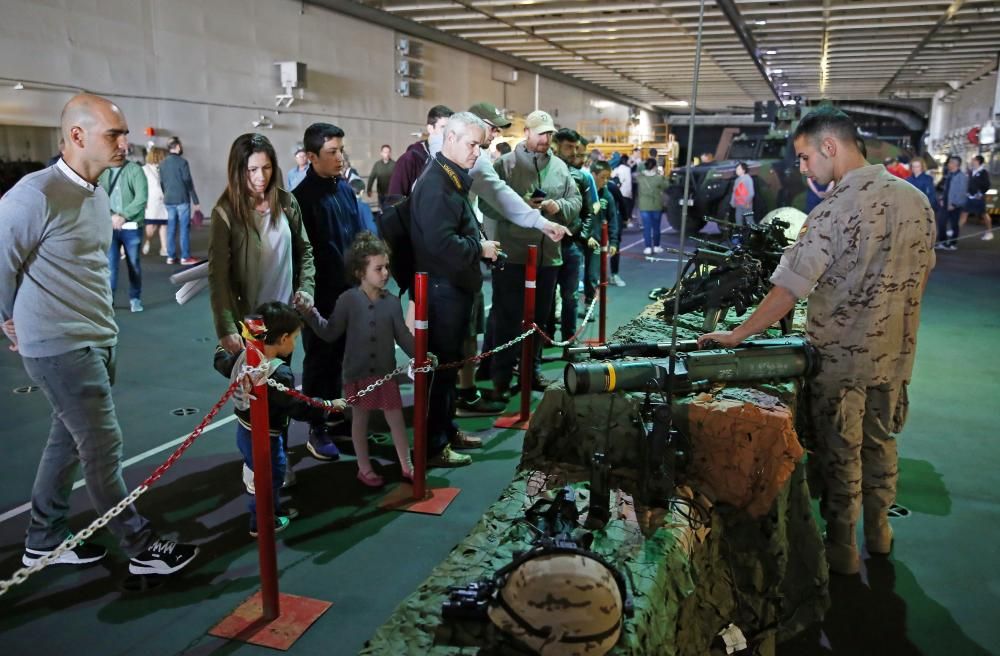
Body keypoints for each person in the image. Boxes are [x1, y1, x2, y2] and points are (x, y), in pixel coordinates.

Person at [699, 107, 936, 576]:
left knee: (840, 450)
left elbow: (787, 291)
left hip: (842, 361)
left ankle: (844, 548)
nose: (804, 168)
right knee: (882, 442)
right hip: (895, 357)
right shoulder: (917, 202)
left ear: (831, 146)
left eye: (806, 157)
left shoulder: (834, 210)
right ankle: (880, 533)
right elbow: (921, 279)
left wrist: (736, 335)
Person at [0, 93, 199, 576]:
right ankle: (140, 546)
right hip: (61, 347)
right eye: (115, 134)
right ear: (76, 136)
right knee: (102, 447)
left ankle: (43, 538)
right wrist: (9, 318)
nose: (125, 143)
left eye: (124, 132)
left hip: (95, 338)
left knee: (67, 442)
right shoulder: (34, 194)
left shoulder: (97, 190)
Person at [208, 132, 315, 488]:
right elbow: (218, 276)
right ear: (238, 170)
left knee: (283, 390)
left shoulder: (287, 202)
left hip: (285, 319)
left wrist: (306, 289)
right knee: (254, 401)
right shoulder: (225, 212)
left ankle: (276, 464)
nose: (260, 176)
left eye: (266, 168)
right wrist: (226, 327)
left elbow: (306, 252)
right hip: (252, 324)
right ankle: (258, 470)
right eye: (252, 169)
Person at [410, 112, 500, 467]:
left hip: (453, 287)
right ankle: (433, 445)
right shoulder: (437, 183)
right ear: (450, 139)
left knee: (448, 370)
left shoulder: (451, 177)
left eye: (479, 145)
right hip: (441, 289)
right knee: (441, 373)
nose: (478, 152)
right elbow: (440, 243)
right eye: (472, 144)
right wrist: (480, 248)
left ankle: (445, 430)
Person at [296, 233, 417, 486]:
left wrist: (421, 354)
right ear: (361, 272)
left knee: (395, 418)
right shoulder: (348, 301)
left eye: (386, 267)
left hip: (385, 374)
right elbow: (330, 332)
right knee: (359, 421)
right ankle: (364, 468)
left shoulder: (392, 303)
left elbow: (404, 336)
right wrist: (310, 313)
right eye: (379, 268)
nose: (386, 273)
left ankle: (407, 465)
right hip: (357, 375)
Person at [214, 301, 343, 537]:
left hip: (244, 430)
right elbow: (296, 406)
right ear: (283, 338)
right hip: (267, 435)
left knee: (257, 473)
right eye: (294, 338)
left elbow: (222, 364)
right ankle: (262, 521)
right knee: (270, 477)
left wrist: (220, 348)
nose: (294, 343)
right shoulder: (279, 372)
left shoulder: (246, 355)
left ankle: (268, 512)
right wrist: (326, 406)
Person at [489, 110, 581, 397]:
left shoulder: (560, 168)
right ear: (526, 132)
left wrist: (558, 208)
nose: (546, 138)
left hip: (548, 257)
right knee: (508, 319)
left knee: (540, 320)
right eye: (540, 132)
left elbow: (576, 200)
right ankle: (501, 379)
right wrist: (519, 206)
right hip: (514, 256)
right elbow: (488, 205)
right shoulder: (505, 165)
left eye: (549, 133)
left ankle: (532, 370)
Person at [293, 123, 366, 460]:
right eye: (332, 152)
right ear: (311, 157)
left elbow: (357, 236)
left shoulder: (345, 191)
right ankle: (315, 426)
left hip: (349, 290)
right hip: (321, 296)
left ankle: (335, 414)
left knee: (340, 358)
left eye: (341, 151)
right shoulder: (301, 200)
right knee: (319, 360)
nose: (339, 158)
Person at [98, 154, 148, 313]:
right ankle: (109, 301)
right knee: (110, 266)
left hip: (132, 226)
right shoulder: (103, 172)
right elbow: (98, 197)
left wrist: (124, 216)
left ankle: (135, 298)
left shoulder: (135, 170)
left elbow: (141, 197)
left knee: (134, 265)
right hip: (109, 226)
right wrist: (112, 216)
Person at [387, 105, 454, 201]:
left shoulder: (452, 158)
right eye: (443, 127)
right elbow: (394, 200)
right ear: (430, 128)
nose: (448, 134)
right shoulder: (409, 159)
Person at [160, 137, 201, 265]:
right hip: (182, 199)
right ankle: (185, 257)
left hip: (168, 199)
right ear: (177, 147)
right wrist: (195, 200)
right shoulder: (183, 162)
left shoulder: (162, 163)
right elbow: (188, 181)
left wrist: (166, 194)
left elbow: (162, 183)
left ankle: (171, 256)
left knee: (171, 228)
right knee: (184, 228)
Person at [637, 157, 668, 255]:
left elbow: (639, 169)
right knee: (656, 227)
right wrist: (663, 175)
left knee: (647, 227)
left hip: (644, 206)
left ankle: (647, 247)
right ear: (655, 166)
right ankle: (656, 246)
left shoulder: (640, 178)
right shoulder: (658, 178)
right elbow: (666, 185)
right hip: (656, 205)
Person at [141, 146, 168, 256]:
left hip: (164, 201)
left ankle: (164, 248)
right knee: (151, 225)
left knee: (164, 224)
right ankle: (147, 242)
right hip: (151, 201)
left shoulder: (163, 168)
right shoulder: (145, 169)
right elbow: (142, 186)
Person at [938, 155, 967, 251]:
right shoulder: (949, 174)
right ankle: (943, 242)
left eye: (950, 162)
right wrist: (942, 198)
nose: (948, 164)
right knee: (941, 222)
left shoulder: (962, 177)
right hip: (945, 203)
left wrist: (954, 204)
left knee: (954, 224)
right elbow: (945, 189)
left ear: (955, 164)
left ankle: (953, 243)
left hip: (955, 205)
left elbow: (962, 193)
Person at [967, 155, 993, 240]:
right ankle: (954, 231)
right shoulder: (971, 171)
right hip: (970, 197)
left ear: (978, 161)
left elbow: (987, 185)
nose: (972, 161)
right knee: (964, 213)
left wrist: (981, 193)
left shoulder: (983, 172)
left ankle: (989, 232)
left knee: (984, 214)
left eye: (974, 160)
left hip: (979, 198)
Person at [366, 144, 395, 208]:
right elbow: (372, 177)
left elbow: (398, 179)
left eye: (388, 152)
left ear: (390, 153)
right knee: (381, 211)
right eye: (385, 152)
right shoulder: (377, 165)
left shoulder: (394, 165)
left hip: (391, 194)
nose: (387, 154)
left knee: (389, 212)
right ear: (381, 153)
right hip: (380, 194)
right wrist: (369, 189)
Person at [730, 161, 755, 227]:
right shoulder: (737, 180)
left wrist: (747, 202)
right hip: (738, 205)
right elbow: (734, 192)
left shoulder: (748, 179)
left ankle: (755, 235)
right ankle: (740, 235)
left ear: (743, 170)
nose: (736, 171)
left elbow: (751, 193)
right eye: (736, 169)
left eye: (738, 169)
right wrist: (732, 202)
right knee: (738, 221)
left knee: (750, 221)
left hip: (746, 205)